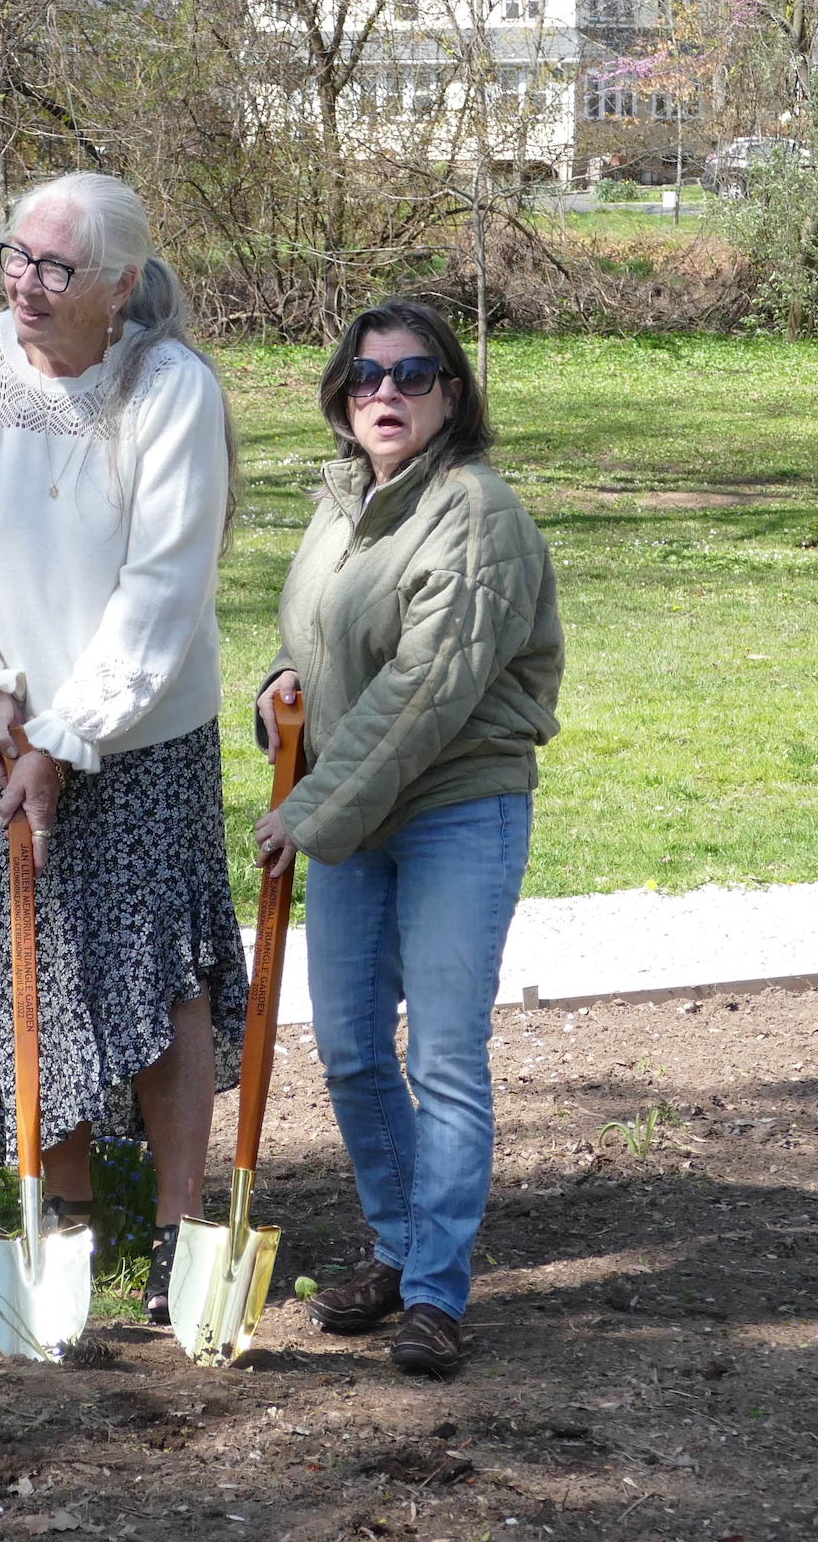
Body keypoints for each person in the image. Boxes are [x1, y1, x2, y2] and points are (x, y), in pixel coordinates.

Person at [0, 170, 244, 1326]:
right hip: (10, 729)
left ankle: (183, 1232)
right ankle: (70, 1222)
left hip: (141, 729)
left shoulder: (168, 388)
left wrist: (71, 731)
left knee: (158, 970)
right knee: (37, 972)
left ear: (120, 283)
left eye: (55, 267)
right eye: (15, 256)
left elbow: (163, 585)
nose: (25, 285)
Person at [253, 298, 563, 1379]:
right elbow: (319, 642)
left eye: (414, 375)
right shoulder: (345, 504)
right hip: (352, 797)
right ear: (341, 394)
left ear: (452, 395)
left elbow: (427, 690)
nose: (386, 392)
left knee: (441, 1053)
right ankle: (396, 1248)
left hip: (452, 807)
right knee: (345, 1045)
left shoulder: (475, 513)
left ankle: (435, 1290)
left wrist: (307, 808)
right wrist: (276, 692)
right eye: (367, 374)